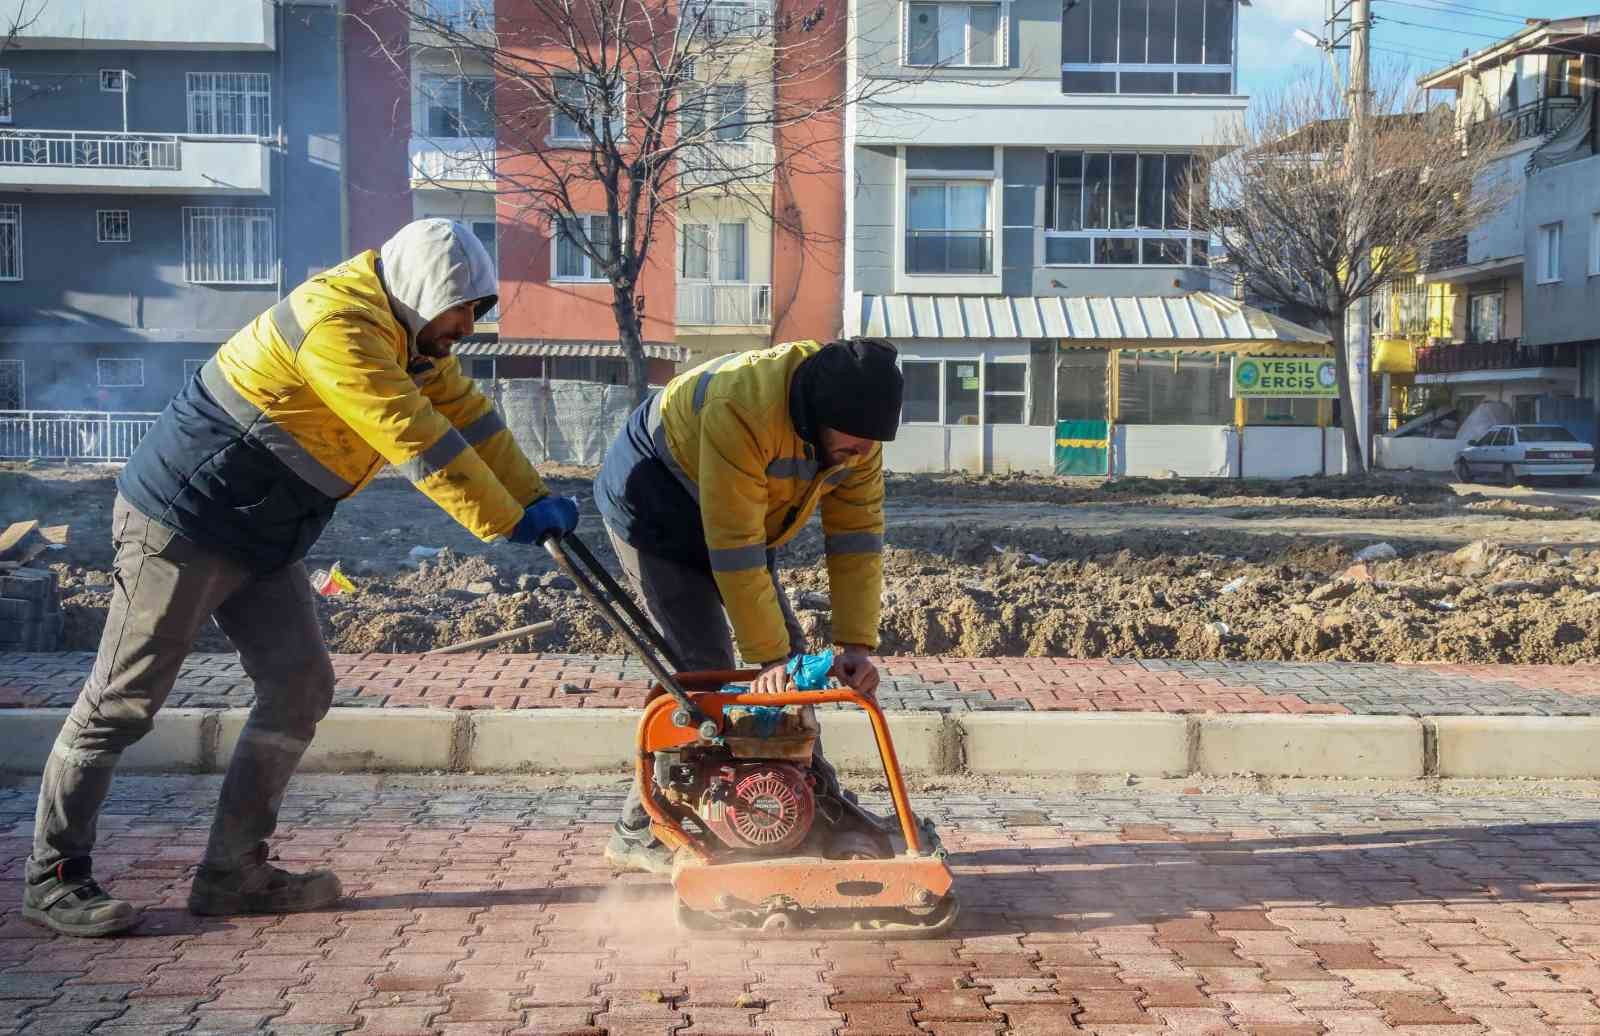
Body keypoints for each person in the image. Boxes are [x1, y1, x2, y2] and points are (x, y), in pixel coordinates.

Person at [22, 219, 579, 937]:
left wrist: (533, 491)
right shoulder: (340, 327)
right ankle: (53, 876)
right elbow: (415, 437)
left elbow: (467, 416)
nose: (468, 327)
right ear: (422, 293)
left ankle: (233, 873)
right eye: (463, 309)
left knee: (300, 684)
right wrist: (506, 518)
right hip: (184, 521)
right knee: (123, 700)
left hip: (261, 531)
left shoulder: (410, 336)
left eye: (477, 310)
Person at [593, 338, 903, 874]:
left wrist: (854, 645)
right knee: (703, 674)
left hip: (738, 515)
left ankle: (814, 801)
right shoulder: (743, 406)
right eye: (853, 444)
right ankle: (640, 830)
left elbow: (856, 541)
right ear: (817, 416)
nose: (862, 454)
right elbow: (733, 551)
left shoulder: (859, 440)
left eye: (870, 445)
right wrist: (768, 661)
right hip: (654, 505)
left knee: (798, 665)